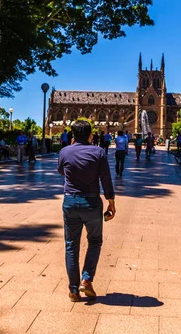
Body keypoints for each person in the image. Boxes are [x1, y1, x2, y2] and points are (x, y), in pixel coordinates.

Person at [57, 120, 115, 302]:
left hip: (70, 202)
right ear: (91, 136)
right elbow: (106, 179)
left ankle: (73, 290)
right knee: (95, 241)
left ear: (72, 136)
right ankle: (86, 280)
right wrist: (111, 202)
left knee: (71, 245)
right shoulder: (98, 152)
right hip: (92, 202)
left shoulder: (64, 151)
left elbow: (61, 171)